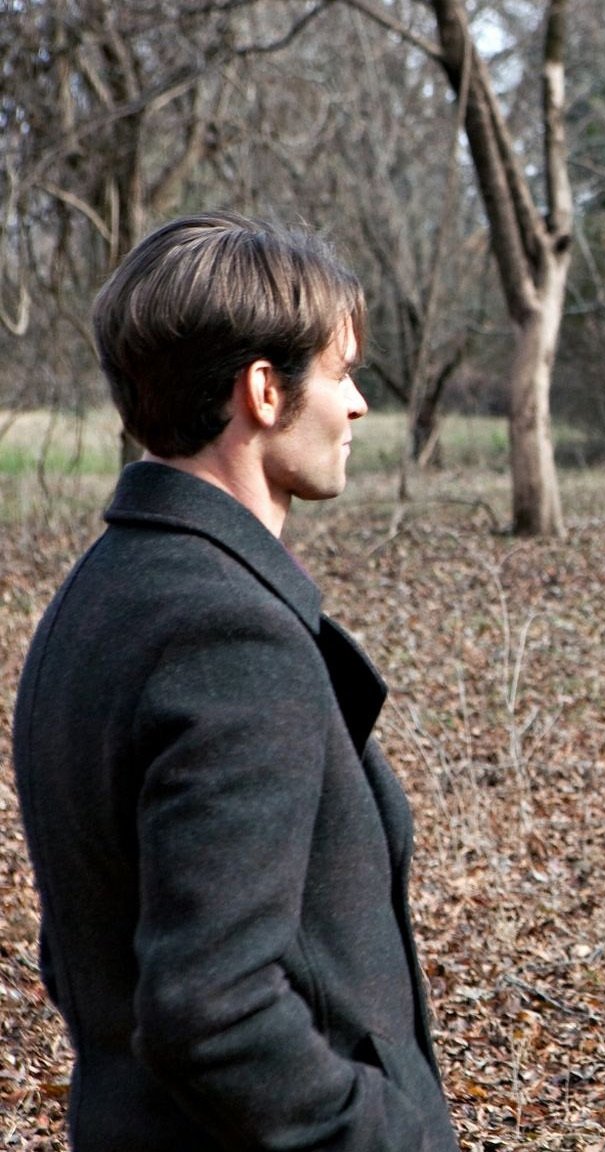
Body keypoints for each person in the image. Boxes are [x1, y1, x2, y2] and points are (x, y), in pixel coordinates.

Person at [11, 213, 459, 1150]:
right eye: (340, 373)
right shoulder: (229, 634)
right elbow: (212, 1007)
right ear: (263, 390)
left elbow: (90, 946)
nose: (357, 405)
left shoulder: (95, 599)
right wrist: (387, 1132)